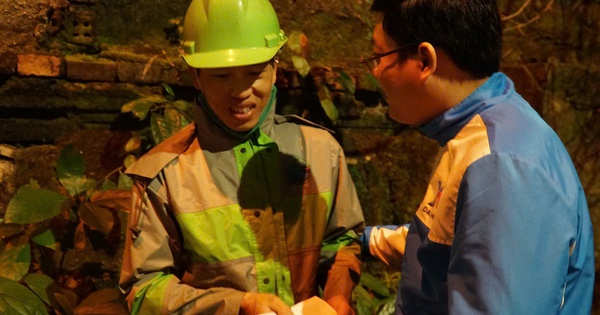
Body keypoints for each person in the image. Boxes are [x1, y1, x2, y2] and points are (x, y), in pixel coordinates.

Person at [118, 0, 365, 314]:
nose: (240, 91)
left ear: (275, 70)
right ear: (196, 76)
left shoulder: (320, 150)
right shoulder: (164, 176)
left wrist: (338, 298)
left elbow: (342, 239)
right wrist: (237, 305)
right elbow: (144, 289)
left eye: (254, 72)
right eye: (221, 76)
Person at [360, 0, 595, 314]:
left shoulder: (500, 164)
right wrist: (366, 241)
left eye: (379, 56)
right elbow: (446, 239)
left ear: (424, 60)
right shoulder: (478, 130)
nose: (374, 71)